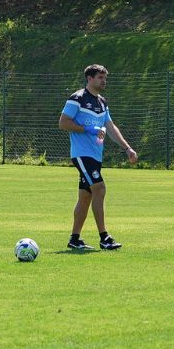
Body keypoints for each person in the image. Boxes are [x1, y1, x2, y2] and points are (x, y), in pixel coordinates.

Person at [57, 64, 139, 251]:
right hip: (81, 154)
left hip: (95, 156)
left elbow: (110, 127)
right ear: (90, 79)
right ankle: (104, 237)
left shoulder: (102, 102)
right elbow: (63, 123)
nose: (104, 81)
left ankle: (74, 239)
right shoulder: (77, 98)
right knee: (99, 189)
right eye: (100, 77)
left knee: (85, 196)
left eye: (105, 78)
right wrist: (86, 128)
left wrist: (127, 148)